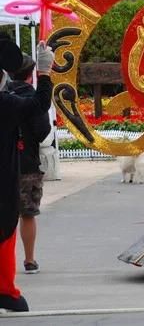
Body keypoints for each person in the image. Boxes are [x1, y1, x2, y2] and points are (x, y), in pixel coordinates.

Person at [0, 36, 54, 312]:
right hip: (7, 177)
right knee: (7, 229)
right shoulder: (6, 104)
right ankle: (5, 289)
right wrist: (44, 73)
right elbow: (39, 105)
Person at [7, 55, 51, 275]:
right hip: (28, 163)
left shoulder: (5, 96)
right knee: (28, 214)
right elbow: (44, 131)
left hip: (5, 163)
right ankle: (29, 259)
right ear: (30, 75)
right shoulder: (32, 99)